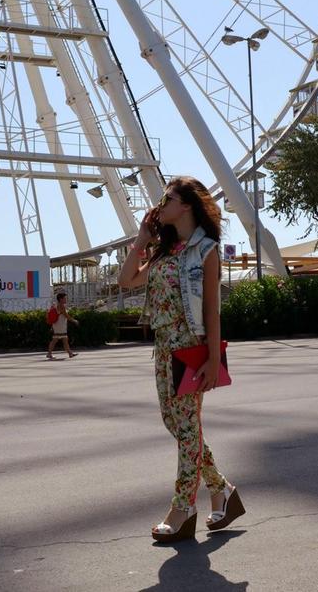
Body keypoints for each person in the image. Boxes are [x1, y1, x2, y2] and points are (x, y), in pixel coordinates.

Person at [118, 176, 245, 542]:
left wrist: (211, 359)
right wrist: (143, 240)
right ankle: (222, 491)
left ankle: (182, 509)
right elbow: (127, 281)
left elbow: (211, 309)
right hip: (162, 350)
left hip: (189, 349)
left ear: (186, 205)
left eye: (168, 198)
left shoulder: (205, 250)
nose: (161, 205)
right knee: (177, 426)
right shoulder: (165, 250)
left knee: (187, 427)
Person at [46, 292, 79, 360]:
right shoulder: (61, 306)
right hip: (60, 325)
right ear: (60, 299)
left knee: (62, 339)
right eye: (64, 298)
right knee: (57, 339)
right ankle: (50, 354)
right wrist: (74, 320)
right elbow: (66, 316)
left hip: (57, 325)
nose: (66, 299)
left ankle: (70, 353)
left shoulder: (55, 305)